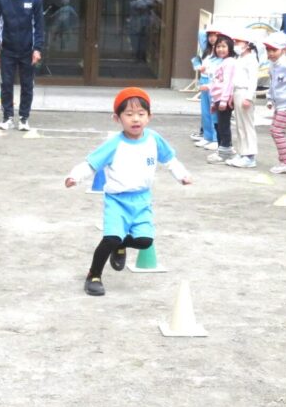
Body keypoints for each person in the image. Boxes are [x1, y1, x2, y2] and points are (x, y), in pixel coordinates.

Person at [64, 87, 191, 297]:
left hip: (142, 199)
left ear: (149, 116)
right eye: (129, 114)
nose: (135, 119)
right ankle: (94, 275)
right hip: (117, 200)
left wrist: (182, 175)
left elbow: (170, 160)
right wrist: (74, 177)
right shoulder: (114, 144)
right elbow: (92, 164)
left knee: (145, 241)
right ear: (117, 118)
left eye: (141, 114)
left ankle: (121, 244)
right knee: (111, 238)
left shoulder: (154, 139)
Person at [0, 0, 45, 132]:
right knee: (6, 84)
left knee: (27, 85)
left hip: (28, 51)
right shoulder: (1, 0)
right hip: (7, 51)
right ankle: (7, 117)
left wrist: (37, 49)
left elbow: (39, 26)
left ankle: (23, 118)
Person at [263, 31, 286, 174]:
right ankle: (285, 160)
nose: (270, 53)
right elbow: (272, 84)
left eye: (274, 50)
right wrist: (270, 99)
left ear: (284, 50)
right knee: (275, 131)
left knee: (277, 131)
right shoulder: (272, 65)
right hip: (279, 104)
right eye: (268, 50)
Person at [226, 30, 260, 169]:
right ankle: (242, 152)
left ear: (247, 44)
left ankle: (250, 155)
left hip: (245, 92)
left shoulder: (251, 59)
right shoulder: (240, 58)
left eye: (238, 42)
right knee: (240, 125)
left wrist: (248, 97)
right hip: (237, 92)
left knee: (247, 125)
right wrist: (231, 95)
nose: (236, 44)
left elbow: (253, 80)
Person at [206, 33, 237, 163]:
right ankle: (223, 149)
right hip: (218, 99)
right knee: (219, 125)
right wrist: (214, 102)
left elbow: (228, 83)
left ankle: (225, 151)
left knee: (223, 126)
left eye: (224, 46)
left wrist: (224, 100)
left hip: (223, 100)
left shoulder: (230, 62)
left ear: (230, 47)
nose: (220, 49)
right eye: (218, 46)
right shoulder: (223, 62)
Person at [194, 25, 221, 150]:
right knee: (205, 111)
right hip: (204, 80)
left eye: (215, 36)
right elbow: (200, 33)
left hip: (214, 81)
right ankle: (207, 136)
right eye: (210, 36)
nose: (212, 38)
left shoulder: (221, 50)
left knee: (213, 111)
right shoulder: (206, 49)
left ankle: (216, 139)